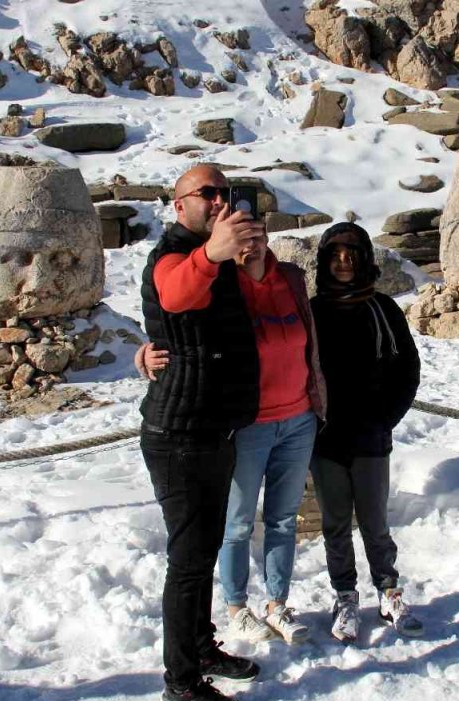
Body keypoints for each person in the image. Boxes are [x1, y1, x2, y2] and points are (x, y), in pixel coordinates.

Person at [138, 179, 326, 651]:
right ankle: (236, 606)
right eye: (244, 239)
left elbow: (311, 338)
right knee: (238, 522)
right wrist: (149, 353)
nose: (251, 244)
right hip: (247, 420)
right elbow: (178, 315)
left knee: (282, 519)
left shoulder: (291, 280)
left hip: (298, 417)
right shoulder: (223, 282)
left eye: (257, 236)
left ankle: (277, 602)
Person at [139, 163, 269, 701]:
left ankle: (200, 646)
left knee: (204, 552)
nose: (219, 201)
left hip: (213, 427)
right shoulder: (175, 253)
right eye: (206, 193)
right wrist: (214, 253)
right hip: (179, 434)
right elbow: (173, 295)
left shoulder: (218, 256)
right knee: (188, 563)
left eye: (225, 191)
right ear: (180, 206)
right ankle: (181, 679)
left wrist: (252, 261)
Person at [308, 222, 423, 643]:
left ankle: (389, 590)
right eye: (335, 255)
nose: (343, 262)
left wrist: (385, 418)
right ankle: (344, 595)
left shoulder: (383, 309)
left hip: (372, 436)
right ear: (324, 261)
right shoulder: (313, 311)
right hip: (326, 440)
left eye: (351, 255)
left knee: (375, 523)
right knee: (336, 524)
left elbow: (407, 368)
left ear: (364, 260)